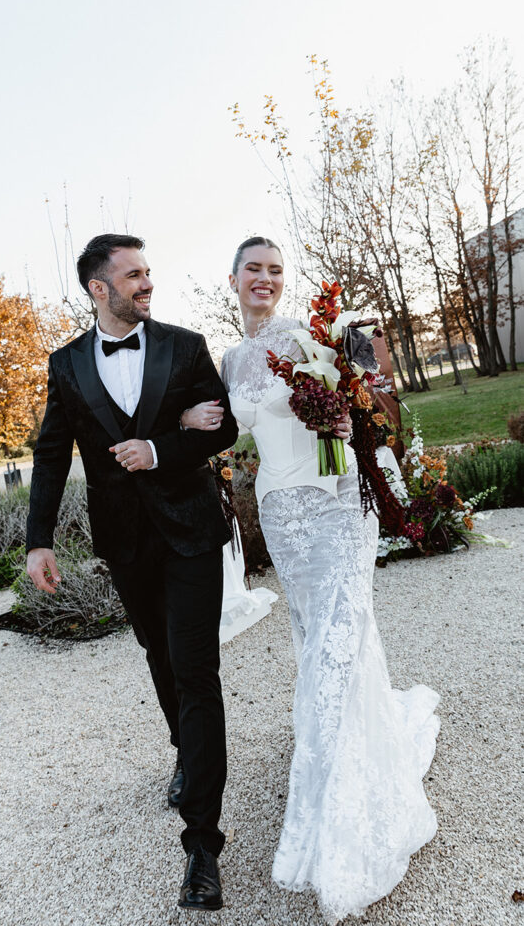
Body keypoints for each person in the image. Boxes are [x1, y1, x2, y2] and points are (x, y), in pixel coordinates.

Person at [182, 236, 440, 925]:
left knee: (337, 637)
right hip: (281, 513)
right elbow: (226, 428)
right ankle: (346, 741)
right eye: (253, 270)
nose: (264, 279)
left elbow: (365, 402)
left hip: (334, 505)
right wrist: (188, 418)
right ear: (233, 279)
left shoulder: (310, 335)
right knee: (315, 637)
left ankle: (335, 796)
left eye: (275, 270)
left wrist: (346, 411)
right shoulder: (229, 360)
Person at [25, 234, 238, 912]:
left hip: (191, 532)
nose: (147, 283)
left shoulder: (185, 345)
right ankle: (185, 750)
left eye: (148, 272)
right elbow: (52, 454)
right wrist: (38, 541)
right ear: (99, 288)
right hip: (125, 541)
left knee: (196, 668)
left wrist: (160, 447)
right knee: (158, 654)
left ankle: (201, 845)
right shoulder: (65, 364)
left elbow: (223, 428)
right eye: (133, 275)